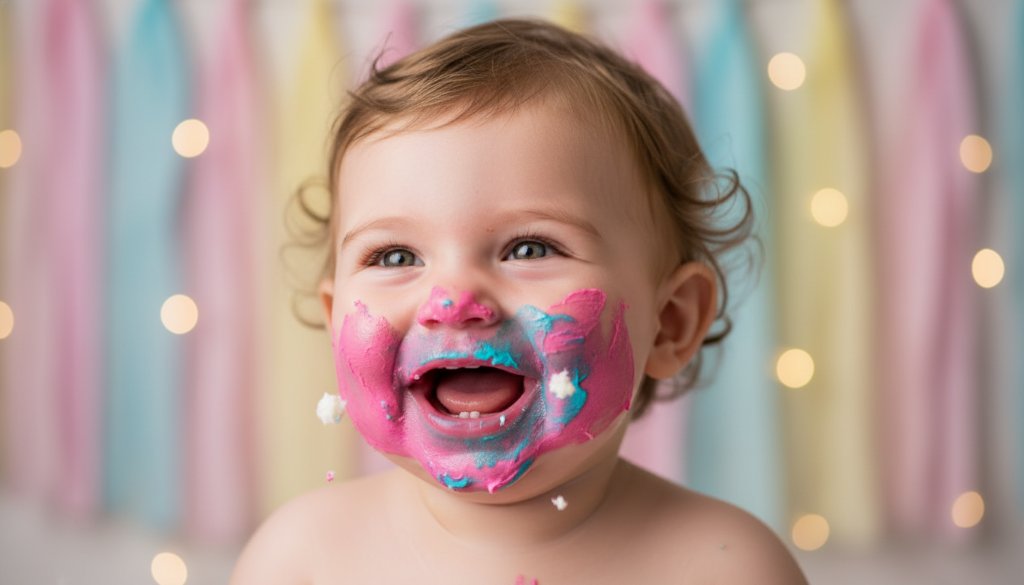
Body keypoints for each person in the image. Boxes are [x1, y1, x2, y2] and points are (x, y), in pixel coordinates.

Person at [232, 18, 807, 585]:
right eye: (396, 257)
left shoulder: (727, 567)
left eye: (529, 248)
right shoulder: (299, 561)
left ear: (671, 323)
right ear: (335, 325)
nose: (453, 301)